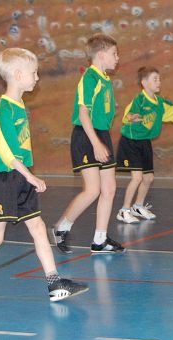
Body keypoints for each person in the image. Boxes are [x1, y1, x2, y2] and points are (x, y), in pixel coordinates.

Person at [0, 48, 88, 302]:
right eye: (34, 73)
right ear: (19, 75)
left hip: (17, 176)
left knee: (38, 227)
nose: (37, 77)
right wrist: (29, 176)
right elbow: (5, 149)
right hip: (4, 179)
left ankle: (54, 283)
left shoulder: (18, 105)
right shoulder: (5, 107)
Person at [49, 34, 125, 254]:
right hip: (86, 136)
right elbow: (83, 114)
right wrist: (96, 144)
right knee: (92, 190)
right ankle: (61, 227)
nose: (117, 58)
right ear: (100, 55)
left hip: (101, 135)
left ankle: (100, 240)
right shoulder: (90, 78)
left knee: (109, 188)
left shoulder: (104, 79)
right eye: (114, 53)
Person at [115, 67, 173, 223]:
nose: (159, 82)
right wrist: (132, 118)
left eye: (159, 79)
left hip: (145, 141)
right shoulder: (139, 100)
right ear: (144, 83)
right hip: (131, 141)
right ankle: (124, 211)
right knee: (137, 178)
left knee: (148, 178)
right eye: (155, 79)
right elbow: (128, 114)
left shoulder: (159, 102)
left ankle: (138, 206)